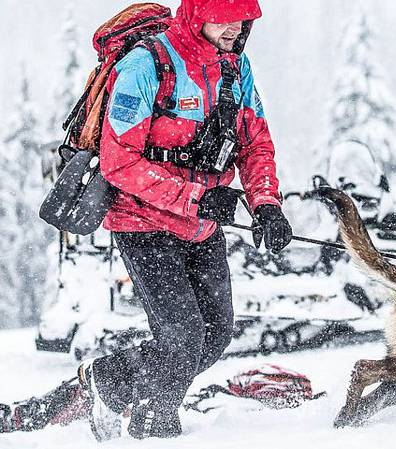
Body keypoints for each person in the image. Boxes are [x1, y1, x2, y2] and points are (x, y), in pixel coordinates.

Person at [77, 0, 292, 440]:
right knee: (182, 338)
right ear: (197, 14)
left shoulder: (235, 66)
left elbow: (255, 143)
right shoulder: (146, 65)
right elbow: (119, 163)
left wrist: (266, 203)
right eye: (224, 19)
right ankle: (155, 419)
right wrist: (195, 197)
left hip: (202, 225)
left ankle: (112, 385)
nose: (235, 28)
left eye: (242, 19)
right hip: (143, 222)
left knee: (216, 332)